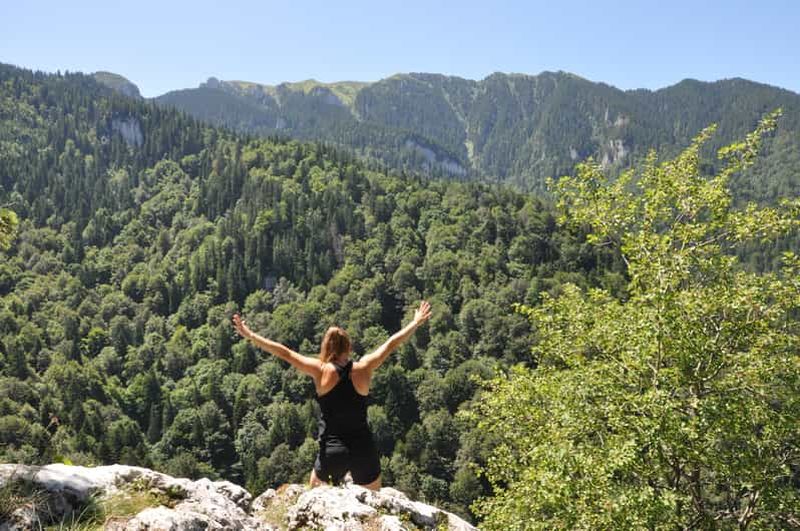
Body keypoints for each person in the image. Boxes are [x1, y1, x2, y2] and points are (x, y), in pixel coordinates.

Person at [231, 300, 432, 490]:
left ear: (326, 348)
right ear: (349, 347)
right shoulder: (364, 367)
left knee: (314, 508)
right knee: (374, 511)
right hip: (363, 449)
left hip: (332, 451)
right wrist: (415, 322)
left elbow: (285, 353)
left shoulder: (320, 370)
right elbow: (390, 344)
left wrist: (250, 335)